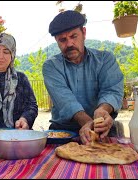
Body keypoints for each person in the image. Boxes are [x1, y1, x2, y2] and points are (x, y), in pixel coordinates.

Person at [42, 10, 124, 145]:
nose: (69, 44)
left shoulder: (105, 60)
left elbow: (112, 90)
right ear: (56, 41)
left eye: (74, 36)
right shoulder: (51, 66)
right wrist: (87, 122)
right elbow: (66, 101)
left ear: (84, 33)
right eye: (62, 40)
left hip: (103, 128)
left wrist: (103, 110)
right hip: (63, 132)